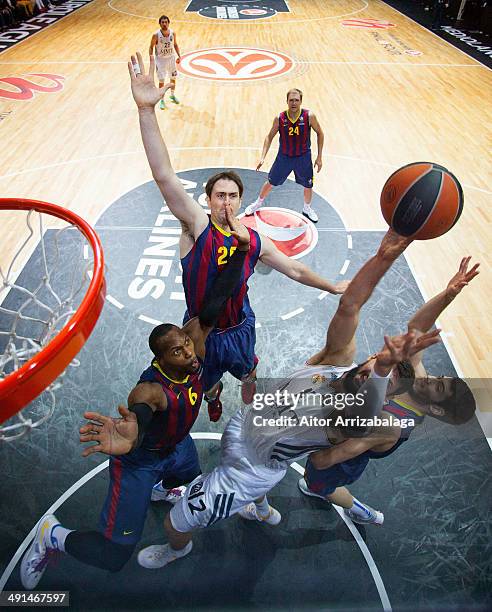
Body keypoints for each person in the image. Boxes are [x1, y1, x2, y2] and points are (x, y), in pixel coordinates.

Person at [122, 230, 438, 569]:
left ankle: (177, 549)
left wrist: (384, 369)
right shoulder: (333, 360)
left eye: (379, 381)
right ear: (368, 357)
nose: (369, 377)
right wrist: (383, 258)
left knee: (175, 523)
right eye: (373, 368)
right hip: (244, 423)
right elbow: (350, 305)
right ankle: (259, 508)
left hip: (252, 469)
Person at [20, 207, 252, 590]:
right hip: (141, 460)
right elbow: (141, 415)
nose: (190, 353)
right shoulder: (150, 390)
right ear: (159, 360)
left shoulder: (194, 342)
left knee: (192, 482)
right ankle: (53, 536)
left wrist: (242, 252)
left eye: (186, 344)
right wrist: (133, 437)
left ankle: (163, 487)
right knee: (114, 557)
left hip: (178, 447)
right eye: (177, 352)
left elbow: (218, 294)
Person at [128, 52, 348, 406]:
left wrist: (331, 285)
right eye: (219, 196)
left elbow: (294, 267)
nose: (226, 202)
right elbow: (164, 176)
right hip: (203, 331)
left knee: (247, 372)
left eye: (233, 196)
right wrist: (145, 111)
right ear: (208, 200)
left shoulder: (253, 239)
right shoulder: (196, 228)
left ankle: (247, 377)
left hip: (240, 327)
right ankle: (214, 393)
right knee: (206, 383)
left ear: (241, 201)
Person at [298, 257, 479, 524]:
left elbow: (329, 458)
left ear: (437, 408)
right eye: (439, 376)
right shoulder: (419, 381)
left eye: (438, 385)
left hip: (341, 459)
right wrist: (447, 296)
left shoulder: (391, 424)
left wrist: (300, 445)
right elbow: (415, 329)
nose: (430, 378)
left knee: (316, 484)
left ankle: (361, 511)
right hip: (340, 421)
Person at [245, 88, 324, 223]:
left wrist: (319, 157)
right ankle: (257, 203)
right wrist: (263, 156)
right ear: (287, 101)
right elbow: (269, 137)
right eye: (291, 100)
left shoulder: (309, 116)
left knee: (308, 185)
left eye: (296, 100)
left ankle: (307, 208)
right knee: (271, 182)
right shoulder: (280, 118)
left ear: (301, 101)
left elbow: (320, 133)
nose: (294, 103)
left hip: (303, 157)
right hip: (284, 157)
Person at [149, 15, 181, 110]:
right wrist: (151, 58)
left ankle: (172, 95)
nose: (164, 24)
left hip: (171, 58)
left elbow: (175, 44)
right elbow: (151, 47)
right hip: (160, 60)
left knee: (173, 78)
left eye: (166, 22)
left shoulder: (173, 33)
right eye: (162, 22)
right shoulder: (156, 35)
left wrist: (179, 55)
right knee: (161, 80)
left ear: (168, 23)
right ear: (159, 24)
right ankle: (162, 100)